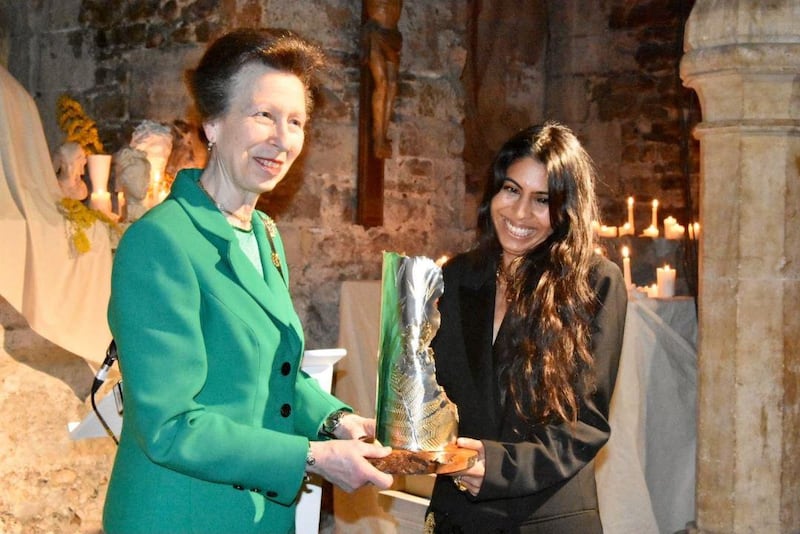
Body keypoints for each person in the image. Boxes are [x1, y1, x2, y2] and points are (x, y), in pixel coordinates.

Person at [102, 28, 393, 534]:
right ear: (212, 123)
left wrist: (338, 422)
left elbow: (269, 374)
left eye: (296, 121)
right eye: (264, 115)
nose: (283, 139)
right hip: (179, 517)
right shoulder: (159, 243)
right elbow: (171, 426)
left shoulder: (264, 236)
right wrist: (313, 457)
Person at [425, 122, 628, 533]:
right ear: (493, 192)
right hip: (459, 516)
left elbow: (585, 423)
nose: (519, 213)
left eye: (542, 200)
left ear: (566, 209)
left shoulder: (596, 283)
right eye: (512, 190)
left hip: (544, 516)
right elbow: (436, 393)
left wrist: (498, 466)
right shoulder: (457, 275)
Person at [363, 0, 403, 159]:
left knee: (393, 85)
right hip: (376, 32)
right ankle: (378, 138)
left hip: (393, 34)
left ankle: (382, 136)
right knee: (383, 83)